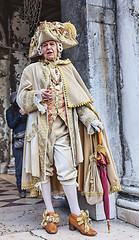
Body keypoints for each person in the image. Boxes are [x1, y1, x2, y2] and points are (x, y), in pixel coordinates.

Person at [17, 21, 121, 236]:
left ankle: (76, 215)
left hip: (64, 131)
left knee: (67, 172)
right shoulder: (31, 70)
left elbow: (79, 101)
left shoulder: (68, 69)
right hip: (39, 132)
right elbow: (21, 99)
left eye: (52, 44)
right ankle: (49, 215)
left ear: (59, 47)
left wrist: (90, 119)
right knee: (42, 173)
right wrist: (36, 95)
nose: (48, 48)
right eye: (44, 45)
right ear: (39, 49)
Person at [6, 92, 27, 198]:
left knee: (30, 165)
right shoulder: (10, 112)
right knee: (19, 167)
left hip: (29, 140)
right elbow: (11, 125)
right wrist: (20, 115)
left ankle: (32, 187)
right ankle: (21, 189)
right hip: (18, 141)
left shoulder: (26, 108)